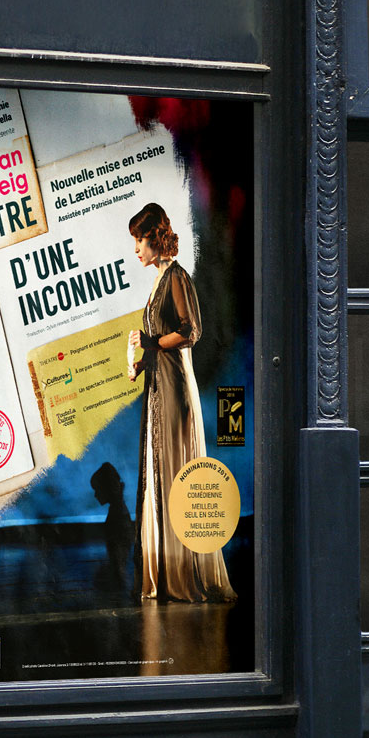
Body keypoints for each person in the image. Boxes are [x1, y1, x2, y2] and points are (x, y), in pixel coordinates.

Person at [128, 203, 235, 604]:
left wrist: (153, 343)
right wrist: (143, 362)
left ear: (154, 238)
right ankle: (165, 570)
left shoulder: (176, 276)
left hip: (175, 389)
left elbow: (191, 330)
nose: (135, 249)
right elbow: (164, 339)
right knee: (160, 468)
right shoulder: (157, 279)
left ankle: (181, 574)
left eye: (139, 240)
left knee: (174, 470)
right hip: (159, 384)